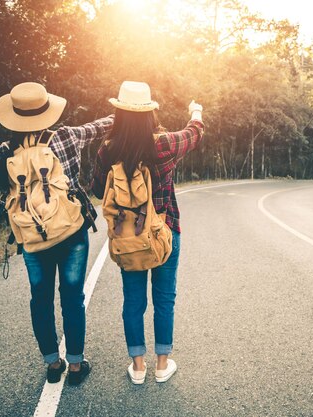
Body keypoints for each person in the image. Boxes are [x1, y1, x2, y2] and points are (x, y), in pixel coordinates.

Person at [0, 82, 114, 385]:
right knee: (73, 297)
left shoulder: (4, 150)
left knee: (41, 299)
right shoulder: (64, 136)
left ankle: (53, 364)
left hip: (33, 241)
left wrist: (9, 216)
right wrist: (126, 113)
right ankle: (76, 366)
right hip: (72, 231)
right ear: (47, 109)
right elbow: (101, 126)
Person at [91, 81, 204, 384]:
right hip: (164, 232)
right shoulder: (163, 144)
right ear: (149, 112)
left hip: (128, 237)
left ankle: (138, 366)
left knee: (133, 300)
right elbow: (194, 134)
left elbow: (97, 188)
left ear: (119, 113)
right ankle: (162, 364)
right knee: (164, 298)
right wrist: (196, 111)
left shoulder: (107, 149)